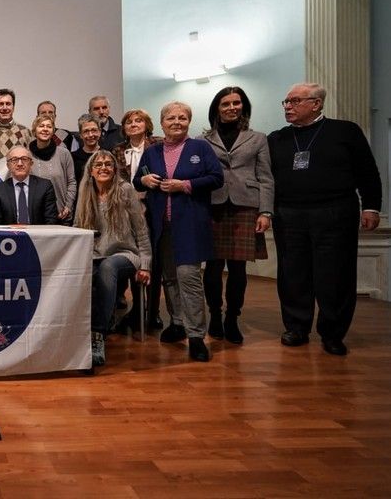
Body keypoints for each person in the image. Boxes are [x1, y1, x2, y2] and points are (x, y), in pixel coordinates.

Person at [268, 82, 381, 356]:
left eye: (295, 101)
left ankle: (333, 333)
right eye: (286, 102)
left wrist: (371, 207)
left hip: (335, 213)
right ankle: (297, 327)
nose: (288, 107)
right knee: (293, 274)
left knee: (335, 275)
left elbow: (367, 171)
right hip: (289, 215)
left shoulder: (345, 131)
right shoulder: (277, 138)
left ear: (316, 104)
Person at [134, 101, 223, 362]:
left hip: (190, 224)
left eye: (182, 118)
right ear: (162, 123)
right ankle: (177, 322)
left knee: (189, 277)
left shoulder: (200, 148)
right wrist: (144, 180)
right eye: (171, 118)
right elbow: (137, 179)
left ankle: (196, 336)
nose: (176, 122)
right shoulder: (152, 152)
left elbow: (217, 178)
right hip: (161, 225)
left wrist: (184, 185)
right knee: (169, 277)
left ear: (189, 121)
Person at [200, 87, 274, 345]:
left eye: (236, 103)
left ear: (243, 107)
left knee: (238, 267)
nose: (231, 107)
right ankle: (215, 315)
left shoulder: (258, 138)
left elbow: (266, 177)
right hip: (213, 205)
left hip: (245, 206)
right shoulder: (203, 140)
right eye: (225, 104)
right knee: (212, 266)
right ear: (216, 109)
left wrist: (265, 211)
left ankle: (232, 317)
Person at [74, 150, 152, 366]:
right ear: (90, 171)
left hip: (125, 254)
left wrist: (146, 264)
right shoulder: (85, 191)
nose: (104, 168)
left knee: (108, 266)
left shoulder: (125, 190)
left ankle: (98, 334)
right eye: (98, 165)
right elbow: (78, 227)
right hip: (94, 255)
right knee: (83, 273)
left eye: (108, 164)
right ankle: (80, 333)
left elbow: (141, 229)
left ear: (115, 169)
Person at [113, 108, 164, 332]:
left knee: (153, 261)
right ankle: (137, 309)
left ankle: (153, 312)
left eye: (138, 120)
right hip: (127, 209)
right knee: (136, 258)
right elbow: (117, 180)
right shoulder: (118, 150)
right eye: (129, 122)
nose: (133, 124)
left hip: (154, 207)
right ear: (124, 128)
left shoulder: (158, 145)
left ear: (147, 124)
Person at [0, 146, 58, 225]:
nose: (20, 164)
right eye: (14, 160)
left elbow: (51, 220)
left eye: (24, 159)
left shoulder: (45, 186)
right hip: (10, 233)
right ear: (8, 165)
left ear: (31, 163)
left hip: (39, 232)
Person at [29, 114, 76, 223]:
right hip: (35, 216)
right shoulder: (27, 155)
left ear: (53, 131)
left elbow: (71, 182)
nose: (45, 129)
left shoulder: (64, 153)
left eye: (49, 126)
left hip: (61, 214)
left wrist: (68, 206)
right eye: (41, 126)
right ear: (34, 130)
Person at [0, 88, 32, 158]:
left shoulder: (25, 131)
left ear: (13, 107)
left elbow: (31, 159)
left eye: (8, 104)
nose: (5, 108)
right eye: (0, 104)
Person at [71, 114, 102, 185]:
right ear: (80, 135)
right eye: (86, 131)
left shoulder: (107, 155)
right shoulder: (73, 158)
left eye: (94, 130)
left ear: (99, 132)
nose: (90, 135)